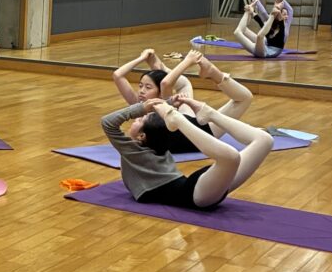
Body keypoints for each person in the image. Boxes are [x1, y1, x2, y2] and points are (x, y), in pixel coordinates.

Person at [101, 95, 273, 210]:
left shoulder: (139, 147)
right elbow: (109, 123)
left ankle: (203, 115)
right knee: (235, 155)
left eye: (139, 119)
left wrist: (159, 105)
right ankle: (209, 114)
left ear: (141, 136)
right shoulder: (142, 147)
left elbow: (108, 122)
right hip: (199, 191)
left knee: (263, 141)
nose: (136, 118)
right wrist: (152, 107)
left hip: (198, 190)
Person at [112, 48, 253, 155]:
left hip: (187, 126)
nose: (142, 91)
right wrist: (188, 61)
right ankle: (212, 73)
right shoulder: (154, 108)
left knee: (183, 86)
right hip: (201, 135)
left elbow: (118, 75)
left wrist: (144, 59)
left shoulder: (150, 105)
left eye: (147, 87)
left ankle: (160, 67)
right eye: (141, 86)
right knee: (244, 98)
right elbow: (165, 83)